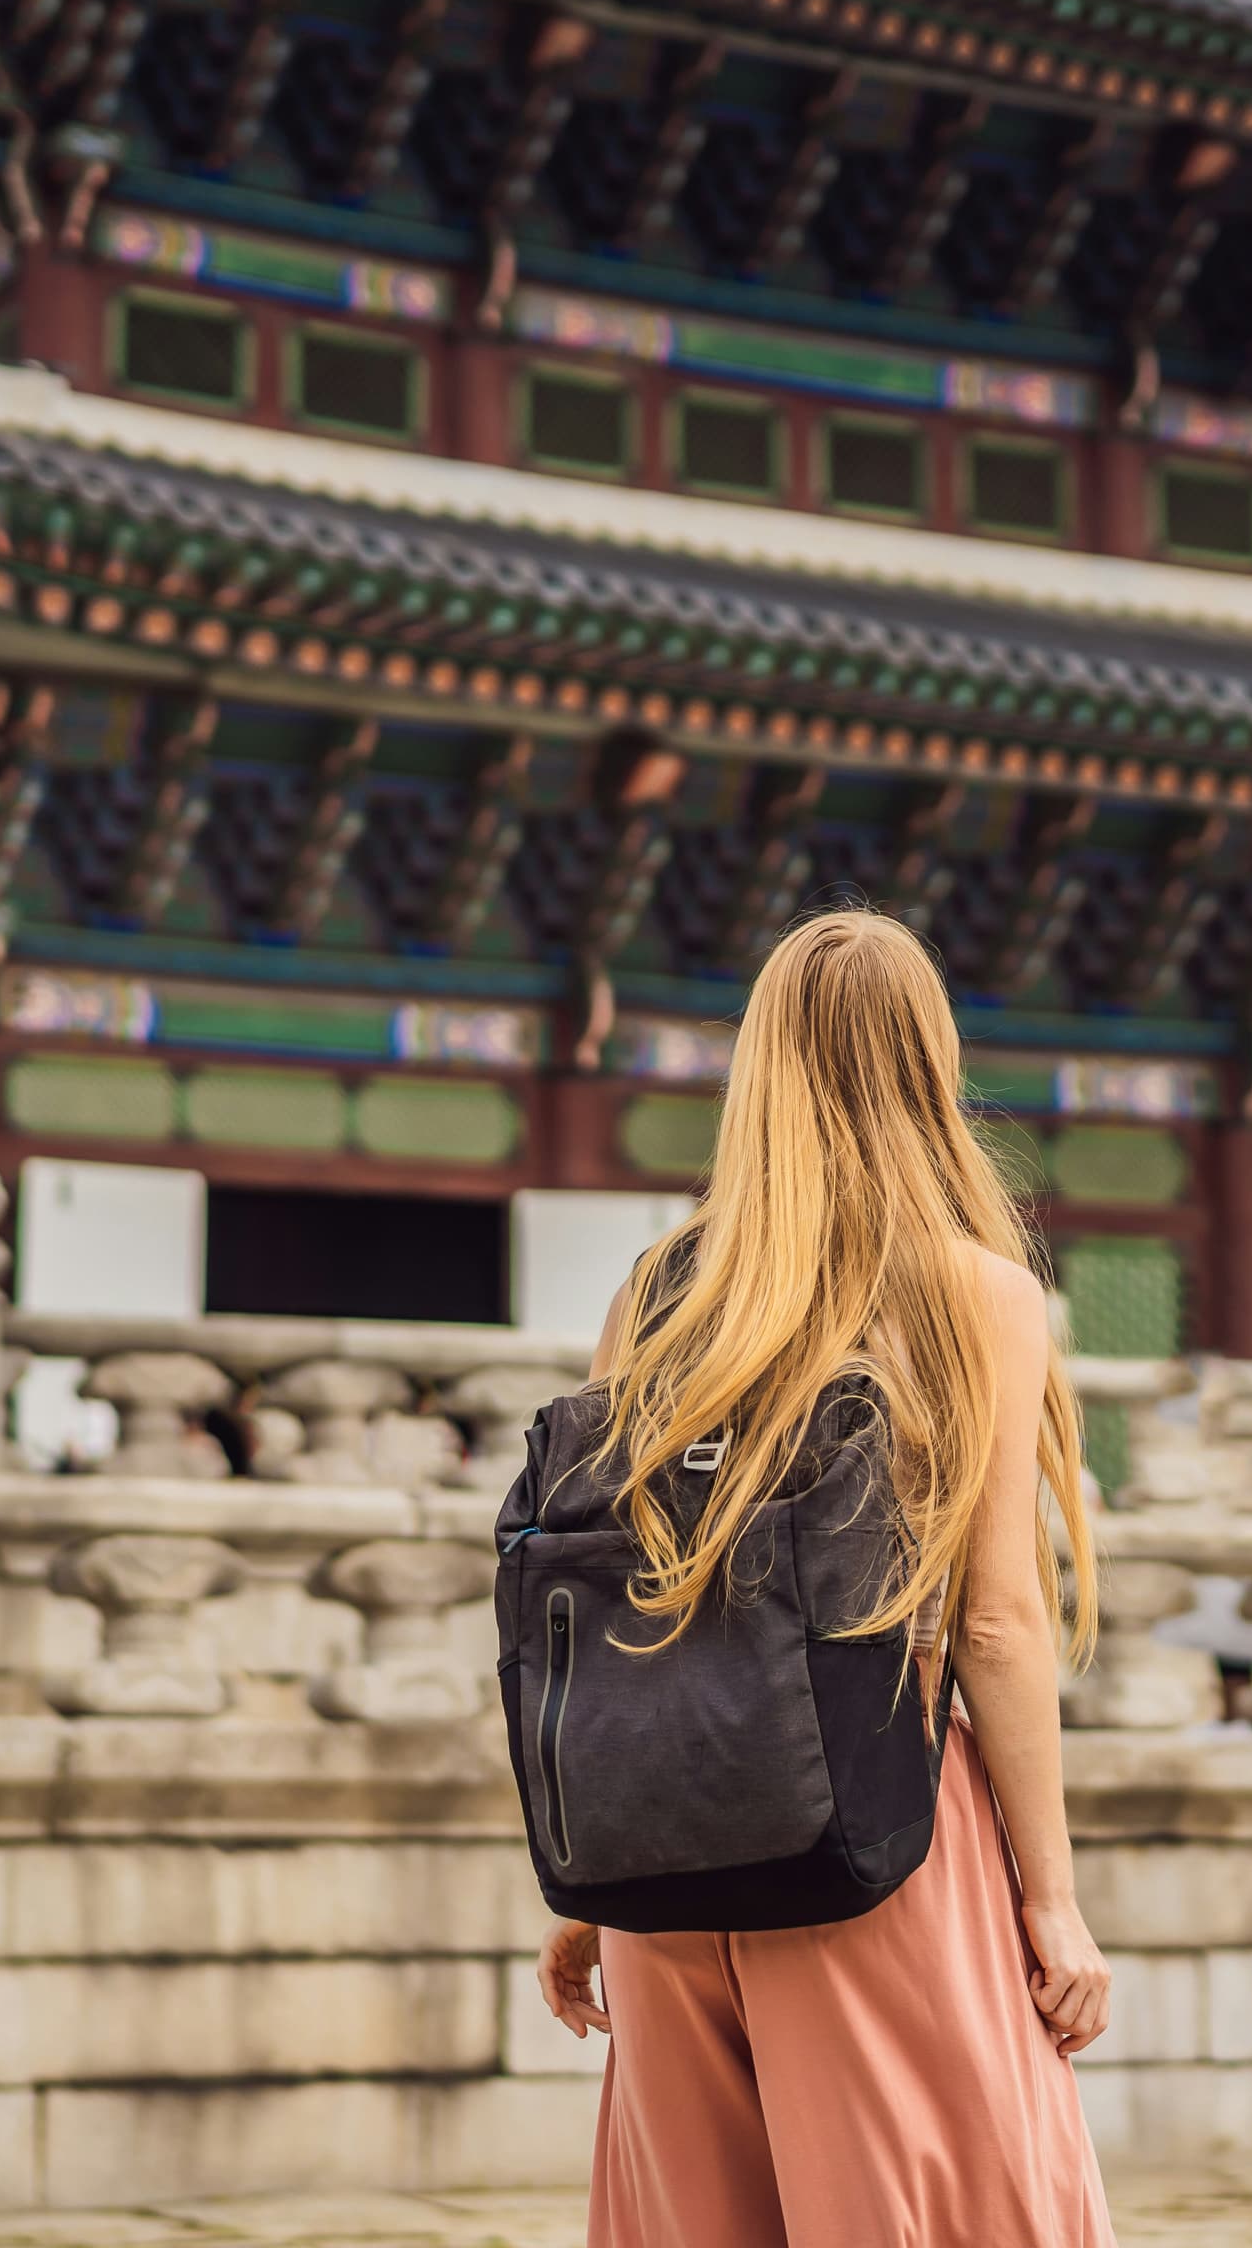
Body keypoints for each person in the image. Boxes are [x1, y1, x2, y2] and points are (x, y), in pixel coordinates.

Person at [533, 908, 1119, 2247]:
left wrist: (586, 1885)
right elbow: (995, 1617)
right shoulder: (974, 1293)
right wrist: (1052, 1901)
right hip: (877, 1839)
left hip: (670, 1860)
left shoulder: (658, 1293)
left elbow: (610, 1595)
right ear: (925, 1061)